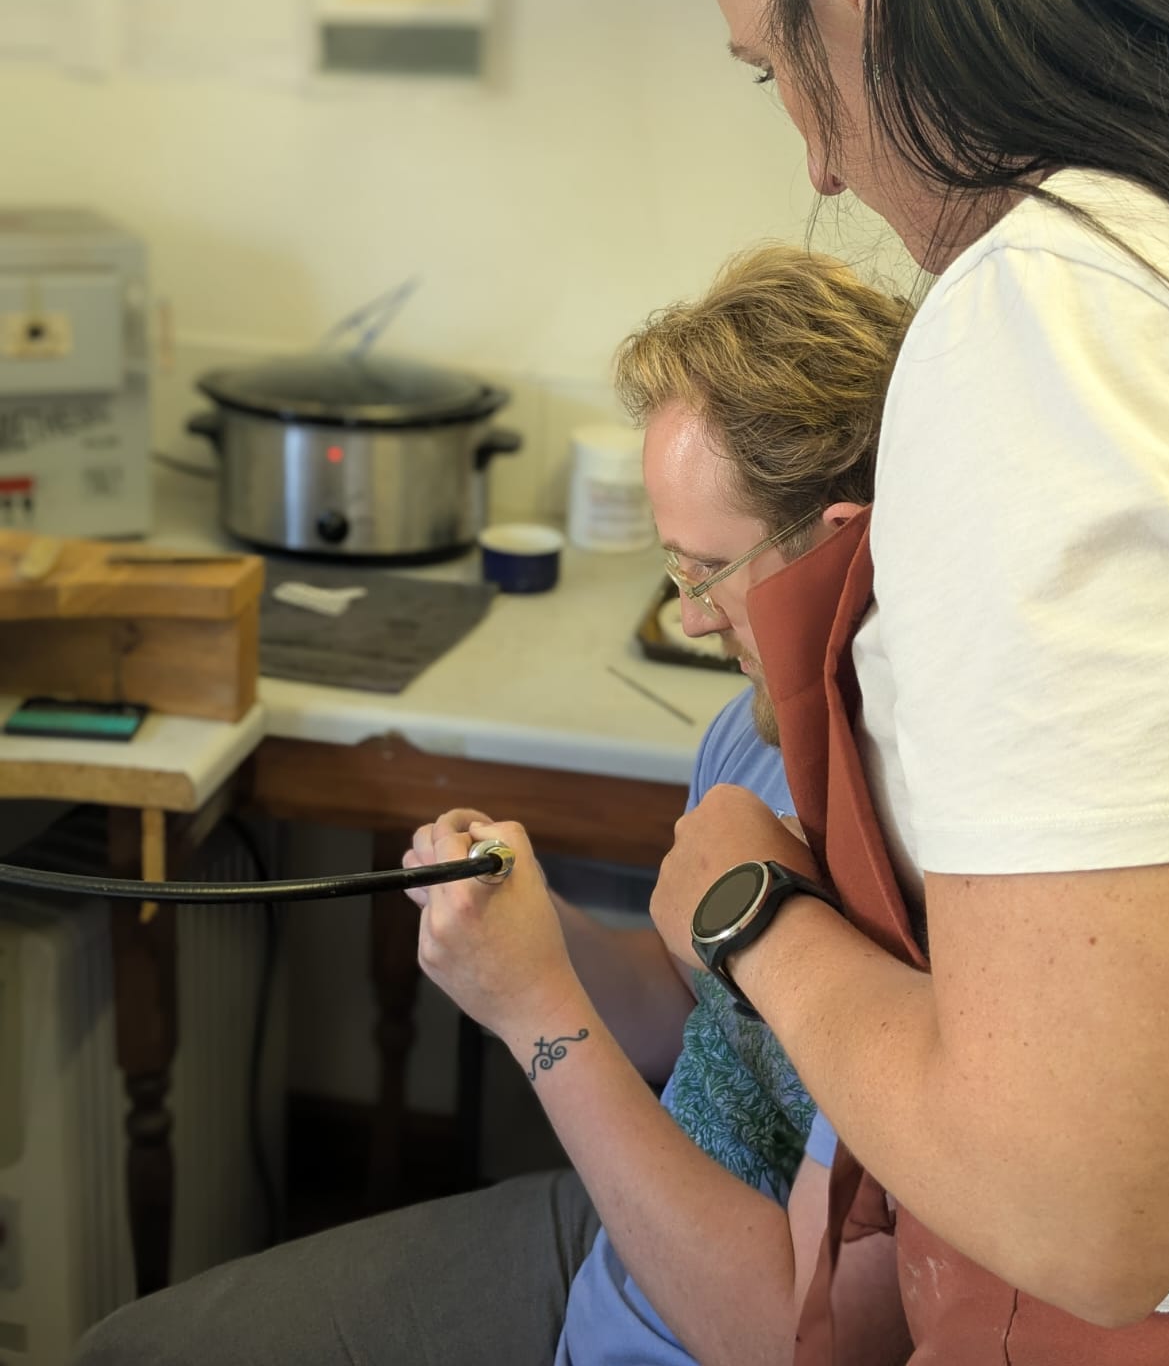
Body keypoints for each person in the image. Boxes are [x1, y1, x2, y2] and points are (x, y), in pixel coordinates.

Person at [73, 246, 911, 1366]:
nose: (696, 622)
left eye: (708, 570)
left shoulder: (936, 871)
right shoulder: (749, 742)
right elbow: (685, 1010)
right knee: (127, 1351)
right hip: (620, 1252)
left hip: (703, 1315)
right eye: (675, 575)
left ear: (842, 541)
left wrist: (537, 1015)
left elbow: (793, 1338)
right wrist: (533, 925)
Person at [645, 0, 1169, 1361]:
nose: (818, 167)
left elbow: (1087, 1205)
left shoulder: (1056, 306)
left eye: (775, 74)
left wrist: (754, 915)